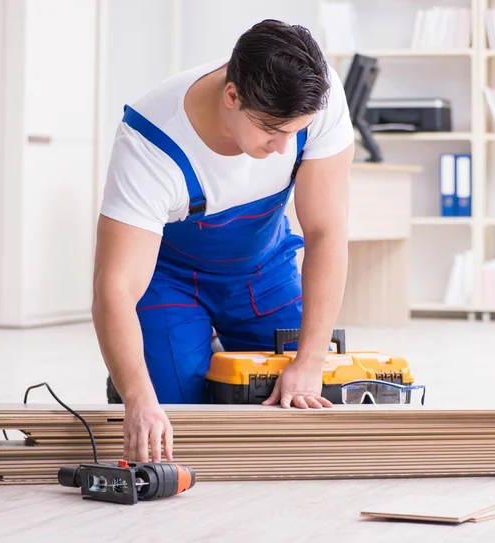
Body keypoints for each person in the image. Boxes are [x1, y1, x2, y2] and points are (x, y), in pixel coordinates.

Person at [92, 19, 355, 464]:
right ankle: (155, 362)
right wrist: (138, 398)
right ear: (231, 95)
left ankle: (210, 348)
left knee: (303, 403)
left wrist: (310, 360)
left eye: (295, 131)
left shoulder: (318, 97)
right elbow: (113, 289)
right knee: (177, 415)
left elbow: (326, 233)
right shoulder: (150, 142)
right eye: (271, 130)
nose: (282, 147)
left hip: (263, 269)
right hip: (169, 280)